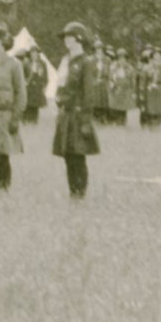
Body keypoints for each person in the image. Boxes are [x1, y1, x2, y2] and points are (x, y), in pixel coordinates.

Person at [52, 22, 101, 198]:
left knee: (78, 156)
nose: (66, 40)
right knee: (67, 156)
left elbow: (89, 93)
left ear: (78, 39)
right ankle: (73, 191)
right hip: (66, 113)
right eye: (65, 37)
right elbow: (60, 86)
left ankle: (80, 193)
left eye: (69, 36)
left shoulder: (86, 62)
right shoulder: (66, 61)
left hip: (79, 114)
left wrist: (86, 120)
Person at [0, 21, 26, 192]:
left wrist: (16, 118)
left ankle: (4, 186)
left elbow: (21, 93)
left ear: (4, 45)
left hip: (5, 116)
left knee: (3, 154)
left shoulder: (14, 65)